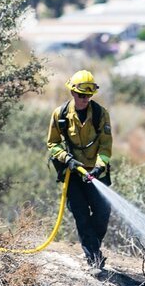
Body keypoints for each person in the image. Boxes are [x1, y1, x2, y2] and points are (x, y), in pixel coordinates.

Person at [47, 70, 112, 270]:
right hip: (73, 175)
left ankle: (93, 247)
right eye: (82, 95)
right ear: (73, 92)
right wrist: (67, 159)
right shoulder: (60, 115)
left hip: (95, 174)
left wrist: (99, 167)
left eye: (89, 95)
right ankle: (93, 258)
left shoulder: (100, 114)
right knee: (81, 215)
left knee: (103, 211)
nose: (85, 99)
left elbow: (105, 146)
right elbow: (52, 144)